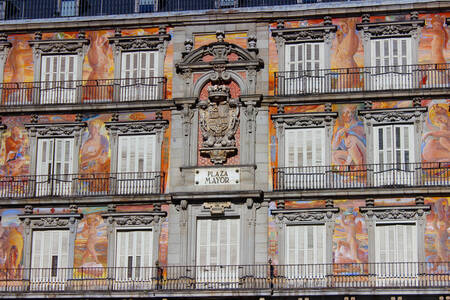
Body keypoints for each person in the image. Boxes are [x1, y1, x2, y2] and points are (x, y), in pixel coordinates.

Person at [334, 18, 360, 89]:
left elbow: (348, 52)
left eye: (343, 25)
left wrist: (351, 30)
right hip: (345, 72)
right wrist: (340, 42)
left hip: (347, 72)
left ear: (349, 24)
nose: (341, 28)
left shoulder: (352, 36)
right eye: (340, 26)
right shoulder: (349, 38)